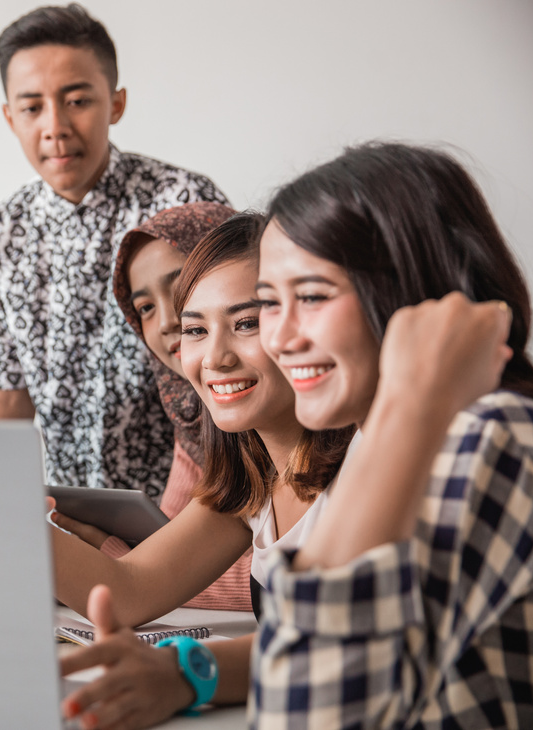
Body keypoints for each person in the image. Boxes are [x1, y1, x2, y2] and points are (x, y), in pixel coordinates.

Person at [251, 142, 533, 727]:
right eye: (268, 303)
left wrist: (415, 399)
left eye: (312, 296)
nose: (280, 338)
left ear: (413, 294)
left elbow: (303, 714)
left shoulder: (494, 437)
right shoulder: (379, 443)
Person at [54, 212, 353, 729]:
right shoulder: (253, 483)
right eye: (195, 329)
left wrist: (186, 672)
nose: (213, 357)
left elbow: (335, 637)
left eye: (246, 323)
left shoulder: (372, 465)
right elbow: (127, 592)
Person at [0, 3, 228, 494]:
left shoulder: (181, 200)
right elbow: (10, 397)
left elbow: (236, 348)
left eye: (77, 100)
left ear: (115, 103)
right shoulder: (1, 231)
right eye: (32, 107)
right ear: (10, 118)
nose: (55, 126)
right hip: (72, 507)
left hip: (195, 496)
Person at [52, 201, 253, 612]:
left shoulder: (346, 447)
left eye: (246, 322)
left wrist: (115, 553)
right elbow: (151, 572)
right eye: (144, 308)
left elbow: (279, 585)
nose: (167, 323)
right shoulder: (217, 435)